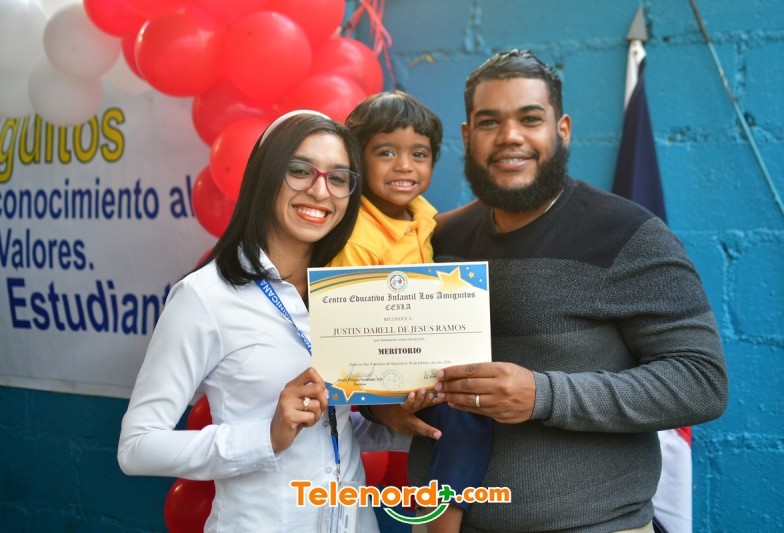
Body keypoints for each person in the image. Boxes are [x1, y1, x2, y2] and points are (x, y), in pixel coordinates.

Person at [366, 50, 729, 532]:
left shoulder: (627, 234)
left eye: (530, 119)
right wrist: (382, 406)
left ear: (562, 130)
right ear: (468, 137)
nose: (510, 136)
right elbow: (383, 362)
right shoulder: (437, 238)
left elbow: (701, 382)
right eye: (490, 122)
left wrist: (544, 395)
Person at [118, 110, 407, 532]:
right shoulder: (205, 297)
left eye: (338, 177)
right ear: (265, 176)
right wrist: (266, 437)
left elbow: (333, 425)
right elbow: (137, 447)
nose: (320, 191)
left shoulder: (345, 294)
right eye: (299, 170)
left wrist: (394, 419)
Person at [328, 91, 490, 533]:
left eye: (419, 154)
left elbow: (437, 246)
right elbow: (350, 333)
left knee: (479, 401)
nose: (404, 166)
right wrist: (384, 403)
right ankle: (442, 523)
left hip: (424, 367)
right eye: (386, 152)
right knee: (465, 417)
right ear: (357, 160)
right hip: (381, 377)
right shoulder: (356, 237)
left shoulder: (421, 214)